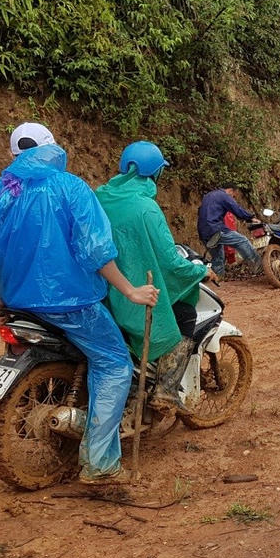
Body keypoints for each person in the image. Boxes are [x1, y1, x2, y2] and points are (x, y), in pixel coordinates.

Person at [0, 122, 159, 485]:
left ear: (13, 155)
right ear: (53, 148)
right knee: (114, 363)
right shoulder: (71, 187)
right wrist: (130, 291)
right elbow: (95, 250)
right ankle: (101, 464)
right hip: (72, 304)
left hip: (16, 307)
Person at [95, 142, 214, 413]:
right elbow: (171, 262)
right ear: (155, 173)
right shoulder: (147, 208)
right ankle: (166, 390)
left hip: (101, 289)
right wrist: (200, 270)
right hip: (132, 293)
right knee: (184, 313)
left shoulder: (100, 196)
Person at [197, 185, 261, 278]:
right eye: (234, 195)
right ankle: (258, 266)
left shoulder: (208, 196)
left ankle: (217, 279)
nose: (233, 197)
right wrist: (250, 218)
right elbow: (236, 208)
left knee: (218, 257)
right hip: (215, 228)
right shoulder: (223, 196)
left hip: (203, 231)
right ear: (231, 190)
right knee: (242, 241)